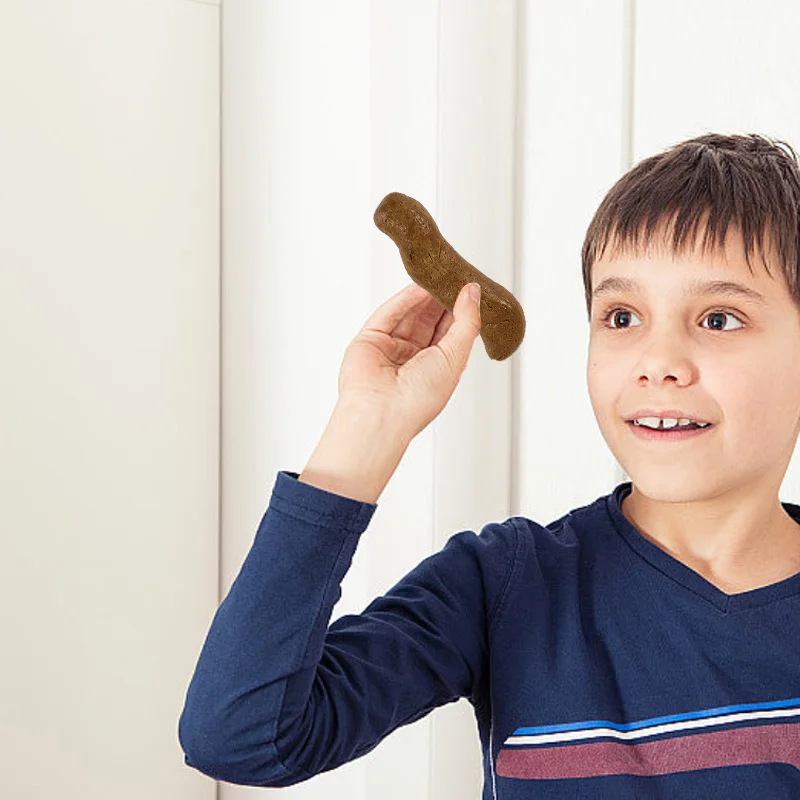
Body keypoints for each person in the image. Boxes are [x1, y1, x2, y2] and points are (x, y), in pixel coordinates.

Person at [178, 133, 800, 797]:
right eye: (622, 316)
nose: (659, 360)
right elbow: (239, 737)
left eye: (720, 318)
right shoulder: (505, 583)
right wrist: (368, 428)